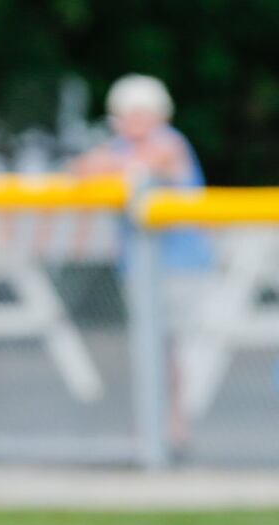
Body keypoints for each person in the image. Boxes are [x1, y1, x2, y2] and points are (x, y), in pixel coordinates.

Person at [72, 74, 213, 456]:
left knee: (171, 348)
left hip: (180, 265)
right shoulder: (119, 147)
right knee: (151, 348)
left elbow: (135, 164)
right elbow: (84, 170)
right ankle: (155, 423)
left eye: (140, 113)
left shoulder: (169, 143)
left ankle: (171, 423)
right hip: (139, 267)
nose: (132, 121)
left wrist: (109, 160)